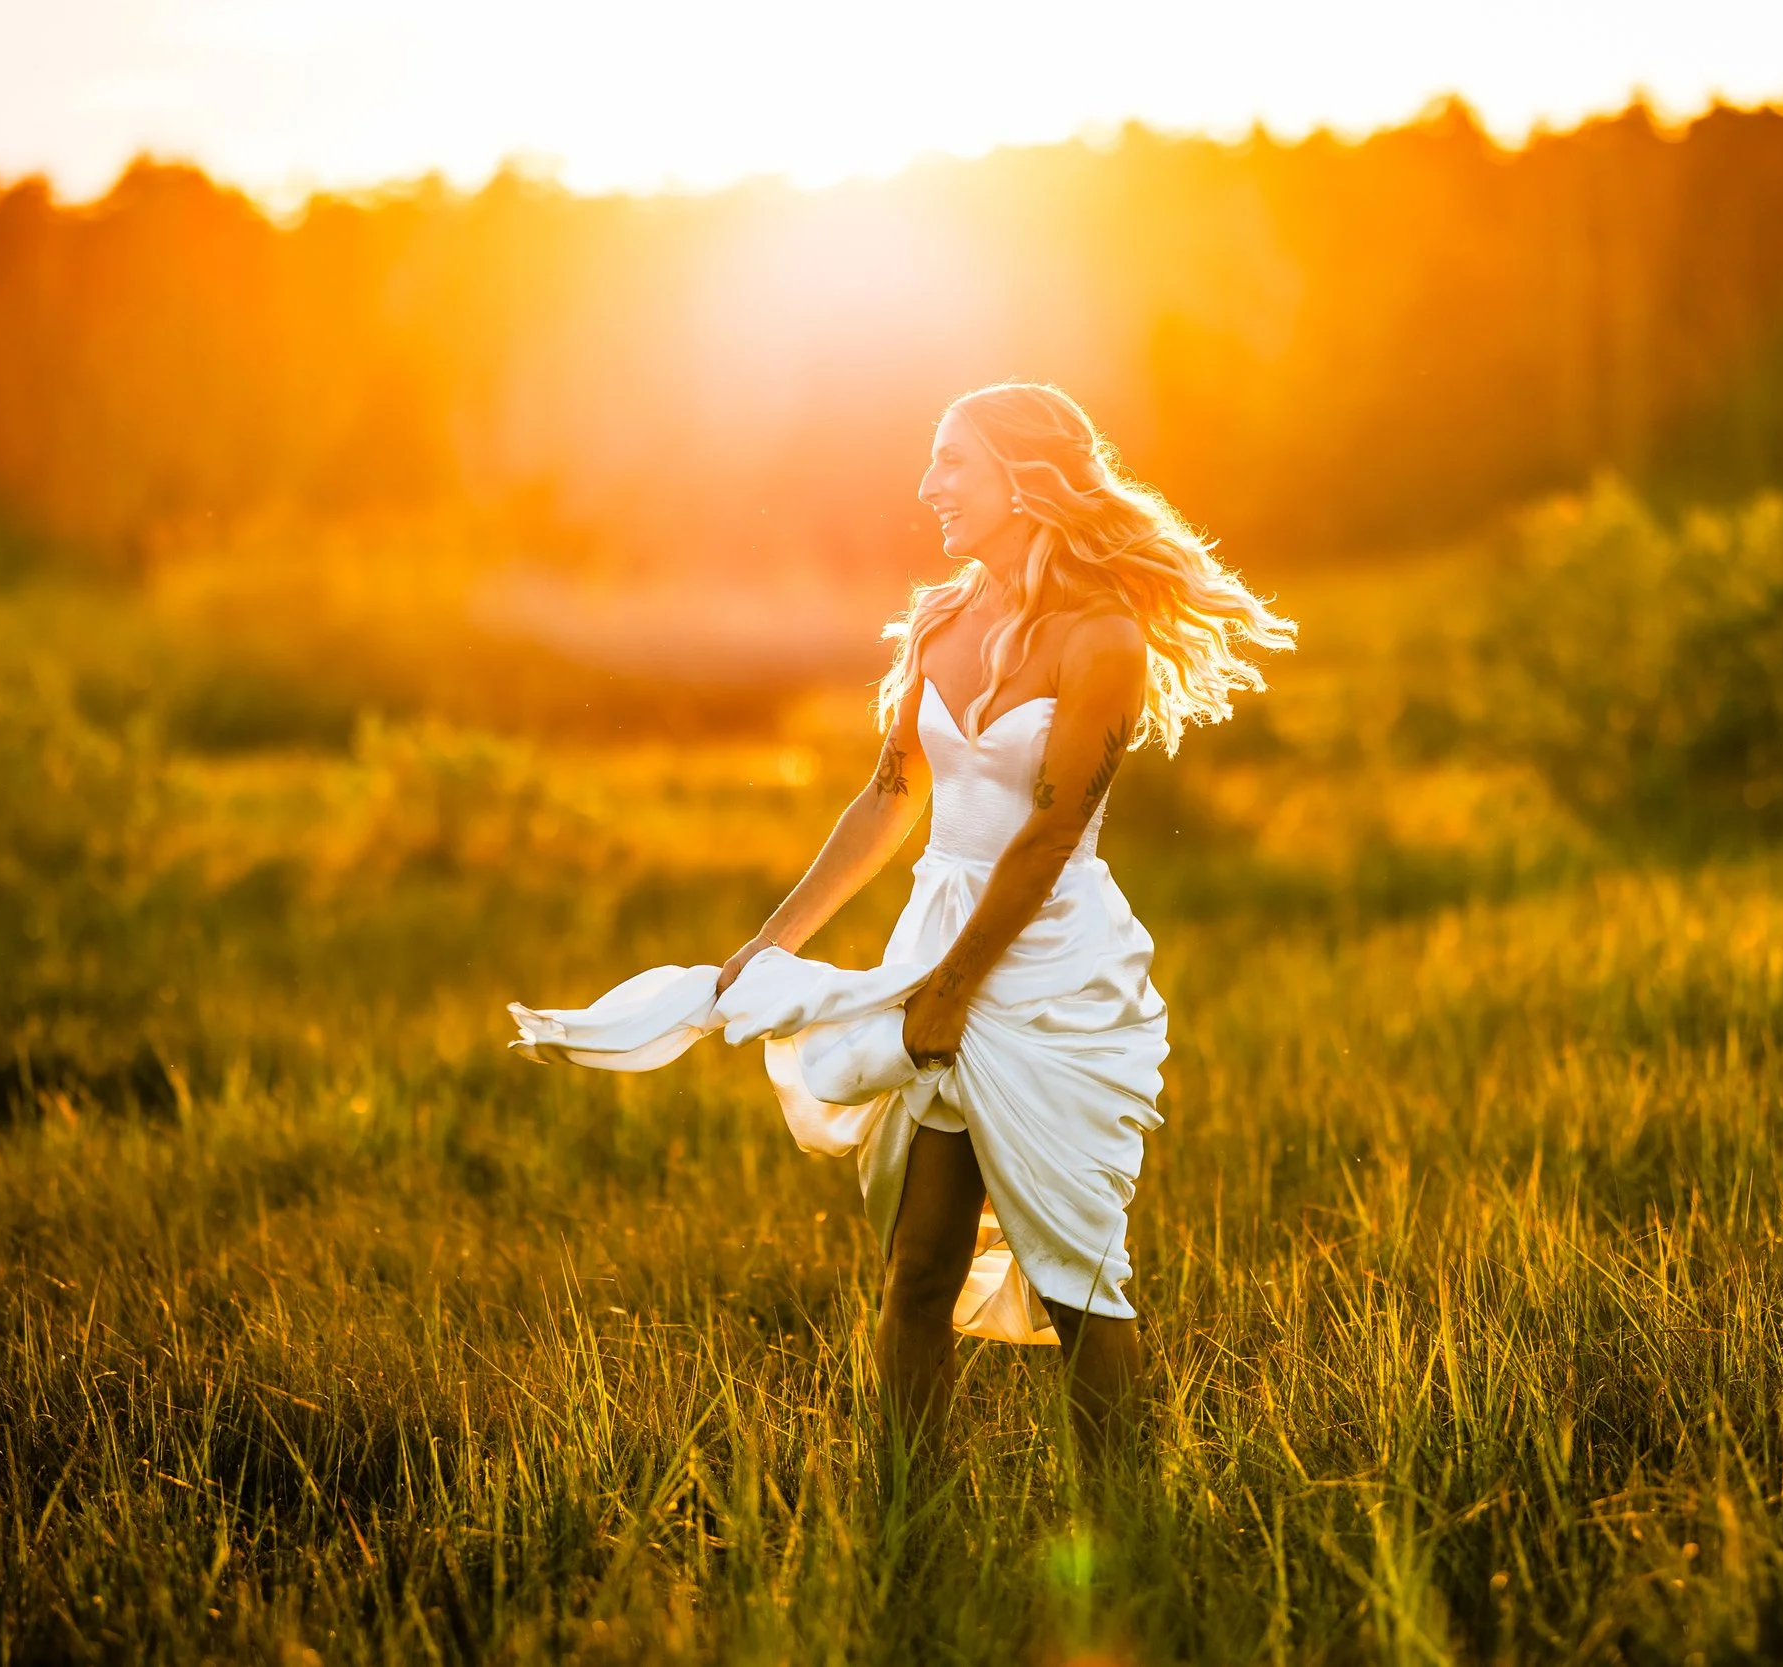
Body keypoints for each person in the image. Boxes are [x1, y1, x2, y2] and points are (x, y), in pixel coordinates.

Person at [508, 382, 1293, 1458]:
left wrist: (958, 988)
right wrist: (770, 942)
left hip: (1048, 969)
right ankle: (905, 1508)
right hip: (933, 938)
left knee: (1075, 1273)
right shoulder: (942, 617)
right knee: (917, 1262)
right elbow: (889, 797)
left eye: (952, 463)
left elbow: (1051, 834)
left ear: (1024, 477)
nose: (929, 487)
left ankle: (1125, 1533)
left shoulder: (1102, 639)